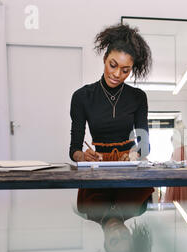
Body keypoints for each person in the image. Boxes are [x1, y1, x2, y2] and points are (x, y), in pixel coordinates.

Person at [69, 23, 154, 220]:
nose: (117, 75)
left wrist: (136, 153)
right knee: (104, 215)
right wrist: (83, 156)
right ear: (105, 59)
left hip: (130, 171)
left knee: (124, 214)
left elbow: (145, 144)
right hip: (97, 170)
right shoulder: (82, 97)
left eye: (125, 70)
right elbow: (74, 149)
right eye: (113, 65)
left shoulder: (138, 97)